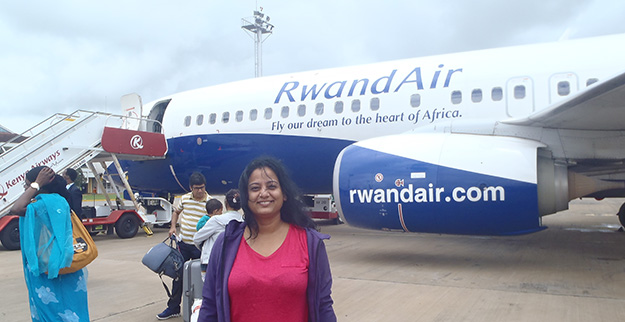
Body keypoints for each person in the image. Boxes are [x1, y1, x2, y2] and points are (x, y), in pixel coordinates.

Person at [198, 157, 336, 322]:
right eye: (255, 188)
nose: (264, 193)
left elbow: (323, 306)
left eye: (271, 186)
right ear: (246, 196)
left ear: (284, 194)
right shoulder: (226, 243)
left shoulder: (310, 243)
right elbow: (210, 305)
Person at [10, 166, 90, 321]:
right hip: (59, 265)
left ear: (40, 185)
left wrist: (36, 184)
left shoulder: (47, 203)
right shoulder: (54, 202)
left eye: (27, 184)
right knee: (70, 311)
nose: (26, 188)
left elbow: (16, 208)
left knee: (55, 314)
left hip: (51, 269)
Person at [158, 171, 212, 320]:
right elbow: (176, 212)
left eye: (202, 187)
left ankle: (203, 309)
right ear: (190, 188)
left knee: (203, 279)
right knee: (178, 277)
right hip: (183, 246)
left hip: (200, 248)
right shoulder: (185, 199)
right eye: (196, 188)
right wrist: (173, 227)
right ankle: (173, 307)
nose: (200, 191)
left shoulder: (210, 202)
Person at [193, 189, 244, 280]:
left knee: (209, 291)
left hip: (210, 261)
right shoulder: (243, 222)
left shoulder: (216, 220)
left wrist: (203, 247)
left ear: (225, 203)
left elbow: (197, 238)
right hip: (231, 262)